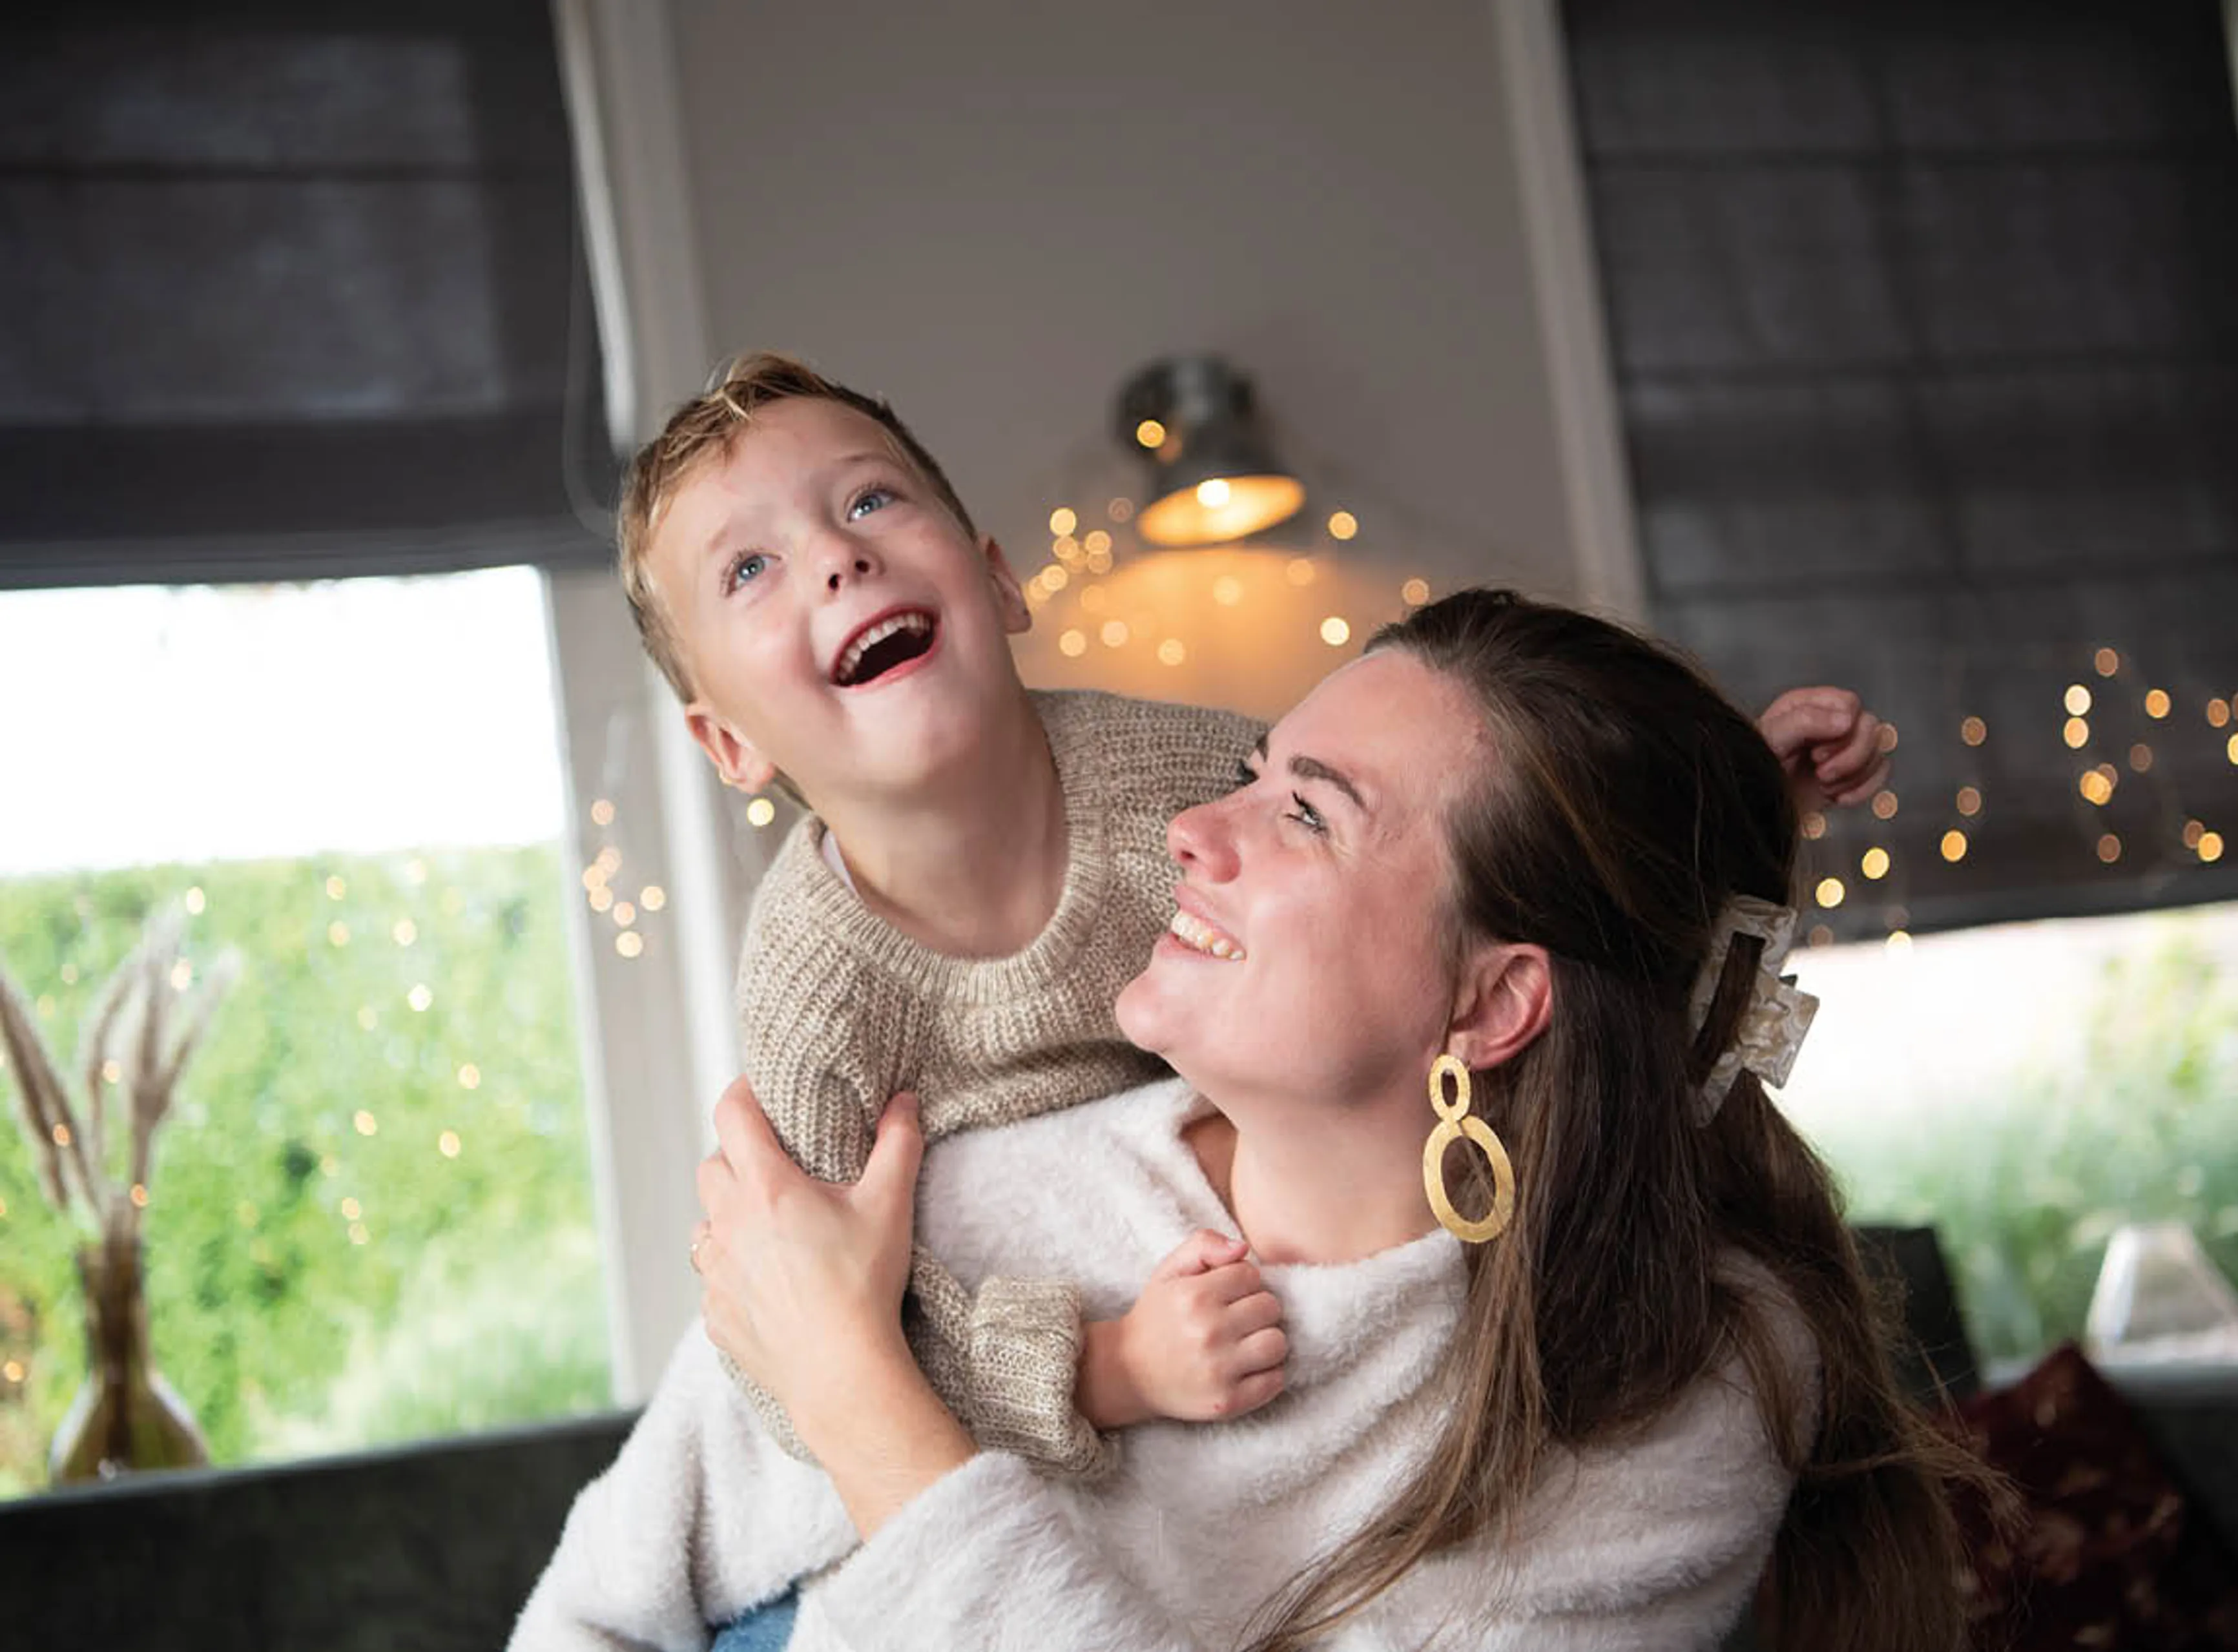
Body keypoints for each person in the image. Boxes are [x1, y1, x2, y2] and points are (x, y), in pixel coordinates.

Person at [519, 588, 1967, 1651]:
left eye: (1308, 817)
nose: (1192, 833)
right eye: (1252, 775)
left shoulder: (1675, 1381)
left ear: (1492, 1006)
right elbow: (595, 1613)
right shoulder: (956, 1218)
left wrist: (856, 1394)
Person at [595, 353, 1894, 1480]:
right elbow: (799, 1345)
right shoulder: (818, 993)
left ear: (999, 584)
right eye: (751, 566)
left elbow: (1447, 864)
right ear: (725, 744)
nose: (837, 553)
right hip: (1049, 1382)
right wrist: (1100, 1369)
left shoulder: (1181, 781)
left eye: (870, 496)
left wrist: (1725, 811)